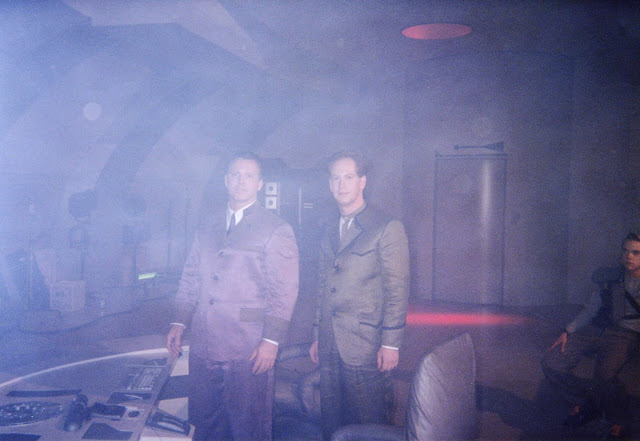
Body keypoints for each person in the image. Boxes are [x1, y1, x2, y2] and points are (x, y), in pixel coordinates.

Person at [166, 151, 299, 441]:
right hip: (204, 342)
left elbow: (283, 291)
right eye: (236, 175)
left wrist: (271, 341)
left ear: (260, 184)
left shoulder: (276, 228)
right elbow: (191, 275)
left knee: (248, 426)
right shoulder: (207, 224)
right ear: (226, 180)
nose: (241, 181)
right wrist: (179, 321)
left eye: (249, 175)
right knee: (205, 422)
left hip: (248, 345)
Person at [309, 152, 410, 440]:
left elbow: (397, 289)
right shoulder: (329, 227)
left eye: (348, 177)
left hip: (365, 342)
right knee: (332, 417)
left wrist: (390, 343)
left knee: (369, 419)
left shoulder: (386, 227)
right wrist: (317, 333)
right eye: (336, 178)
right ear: (330, 184)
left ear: (362, 181)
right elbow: (322, 285)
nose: (341, 185)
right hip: (330, 340)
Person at [541, 231, 640, 438]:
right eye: (625, 251)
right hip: (601, 329)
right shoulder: (611, 278)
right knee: (552, 362)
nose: (629, 256)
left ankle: (614, 415)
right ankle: (589, 402)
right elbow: (591, 308)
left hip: (627, 335)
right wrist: (568, 330)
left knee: (604, 374)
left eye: (636, 252)